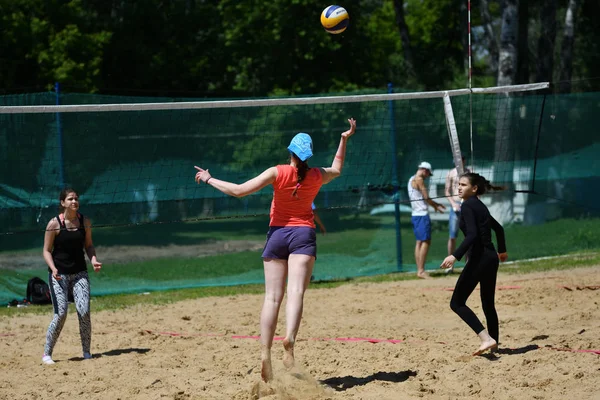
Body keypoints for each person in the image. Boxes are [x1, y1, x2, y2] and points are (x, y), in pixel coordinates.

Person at [194, 118, 357, 382]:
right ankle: (290, 338)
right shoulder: (316, 175)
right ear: (308, 155)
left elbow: (238, 191)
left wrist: (209, 178)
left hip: (277, 235)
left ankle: (264, 353)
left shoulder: (277, 172)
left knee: (272, 297)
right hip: (303, 234)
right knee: (296, 292)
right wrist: (344, 138)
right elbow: (337, 168)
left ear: (290, 152)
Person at [440, 173, 508, 356]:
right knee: (488, 304)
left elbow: (472, 235)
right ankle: (494, 345)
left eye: (463, 184)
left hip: (479, 258)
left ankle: (486, 339)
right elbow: (499, 229)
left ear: (474, 188)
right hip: (490, 258)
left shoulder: (468, 205)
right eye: (458, 184)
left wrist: (455, 256)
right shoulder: (479, 205)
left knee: (456, 303)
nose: (459, 188)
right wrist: (502, 251)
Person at [42, 188, 102, 365]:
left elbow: (89, 246)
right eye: (70, 199)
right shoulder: (54, 224)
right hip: (59, 275)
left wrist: (94, 260)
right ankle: (47, 353)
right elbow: (46, 251)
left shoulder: (85, 222)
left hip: (80, 273)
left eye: (76, 198)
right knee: (61, 314)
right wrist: (52, 268)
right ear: (62, 203)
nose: (74, 201)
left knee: (84, 311)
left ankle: (86, 352)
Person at [407, 161, 445, 279]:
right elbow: (426, 198)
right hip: (422, 214)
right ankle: (421, 270)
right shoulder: (419, 180)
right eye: (428, 173)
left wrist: (435, 205)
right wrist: (436, 206)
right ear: (425, 170)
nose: (428, 176)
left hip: (415, 214)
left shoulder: (410, 179)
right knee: (426, 241)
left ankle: (419, 270)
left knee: (419, 241)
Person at [444, 155, 471, 273]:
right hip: (455, 205)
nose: (459, 162)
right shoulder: (451, 173)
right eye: (457, 160)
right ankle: (450, 265)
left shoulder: (469, 172)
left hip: (467, 204)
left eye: (461, 160)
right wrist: (453, 204)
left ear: (464, 161)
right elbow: (447, 191)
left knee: (469, 236)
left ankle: (468, 264)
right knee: (452, 236)